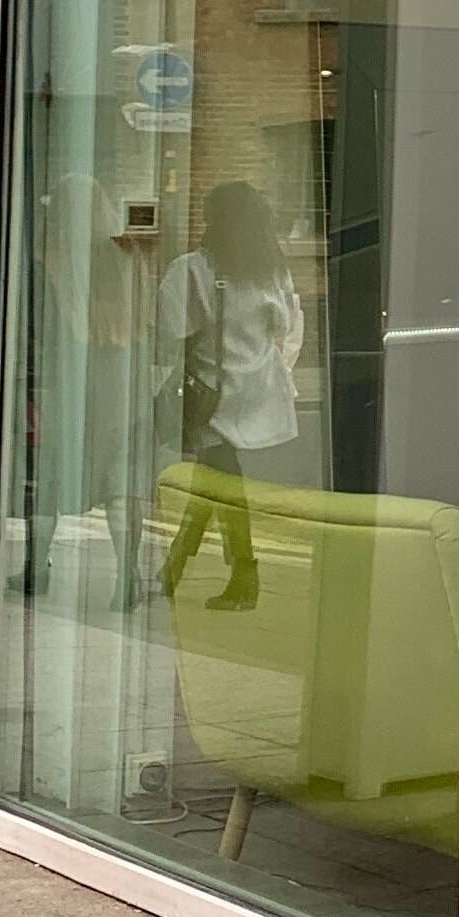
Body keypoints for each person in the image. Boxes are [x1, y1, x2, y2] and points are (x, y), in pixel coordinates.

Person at [156, 182, 302, 610]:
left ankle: (242, 575)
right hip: (261, 392)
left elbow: (171, 328)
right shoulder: (273, 271)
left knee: (223, 487)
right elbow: (286, 327)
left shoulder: (194, 270)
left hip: (212, 394)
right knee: (216, 482)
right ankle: (176, 569)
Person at [13, 174, 142, 608]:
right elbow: (149, 325)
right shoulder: (127, 257)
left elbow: (35, 333)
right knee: (119, 480)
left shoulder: (47, 260)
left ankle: (36, 566)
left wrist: (29, 388)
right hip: (120, 383)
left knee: (50, 475)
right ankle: (128, 577)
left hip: (65, 383)